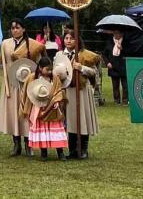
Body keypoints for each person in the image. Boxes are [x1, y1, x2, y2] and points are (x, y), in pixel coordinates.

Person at [0, 18, 45, 156]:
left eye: (17, 27)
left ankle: (28, 144)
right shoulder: (5, 44)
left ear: (23, 29)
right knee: (13, 113)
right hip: (11, 83)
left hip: (27, 84)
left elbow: (38, 63)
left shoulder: (33, 45)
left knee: (27, 112)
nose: (15, 30)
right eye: (12, 28)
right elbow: (2, 62)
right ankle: (16, 144)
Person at [57, 29, 100, 159]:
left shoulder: (84, 55)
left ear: (77, 40)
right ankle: (72, 150)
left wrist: (81, 67)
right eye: (66, 38)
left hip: (81, 90)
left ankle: (83, 149)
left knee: (82, 118)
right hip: (68, 90)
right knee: (70, 120)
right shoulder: (60, 55)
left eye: (71, 38)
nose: (68, 41)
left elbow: (94, 73)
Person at [21, 56, 67, 161]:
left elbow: (59, 91)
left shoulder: (55, 78)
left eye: (51, 69)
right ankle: (44, 152)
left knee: (55, 130)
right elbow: (26, 92)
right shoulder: (32, 78)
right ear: (40, 68)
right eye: (47, 69)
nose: (50, 71)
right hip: (38, 108)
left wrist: (56, 101)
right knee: (42, 131)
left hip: (52, 107)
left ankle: (60, 152)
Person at [104, 30, 128, 105]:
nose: (115, 35)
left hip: (123, 67)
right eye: (114, 33)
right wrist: (107, 62)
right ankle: (116, 100)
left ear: (122, 34)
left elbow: (130, 52)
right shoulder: (109, 42)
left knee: (125, 85)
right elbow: (104, 54)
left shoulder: (126, 42)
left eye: (117, 33)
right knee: (115, 86)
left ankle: (125, 100)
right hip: (113, 67)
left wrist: (122, 49)